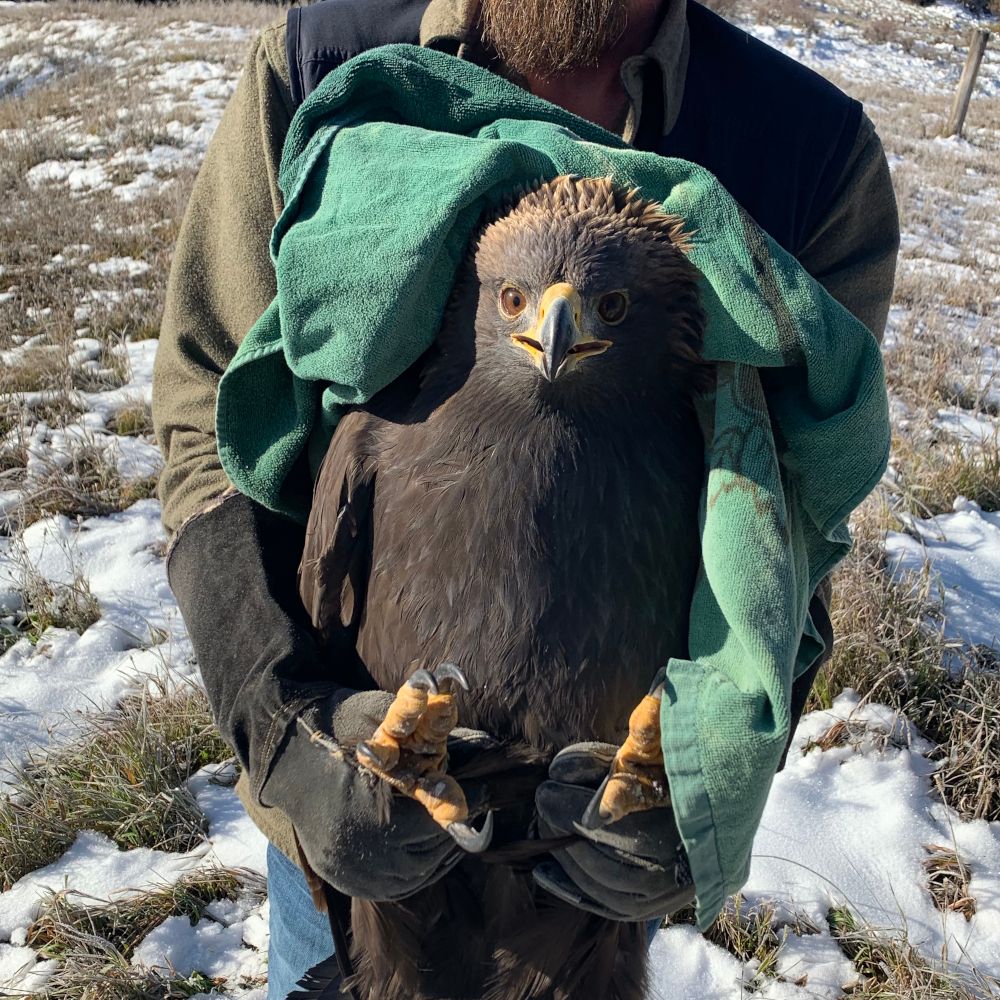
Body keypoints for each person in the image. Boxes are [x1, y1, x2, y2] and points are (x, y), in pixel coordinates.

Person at [154, 1, 899, 995]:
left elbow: (794, 526)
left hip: (590, 890)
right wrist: (272, 713)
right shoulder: (319, 58)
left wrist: (700, 792)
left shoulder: (810, 149)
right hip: (343, 838)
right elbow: (211, 402)